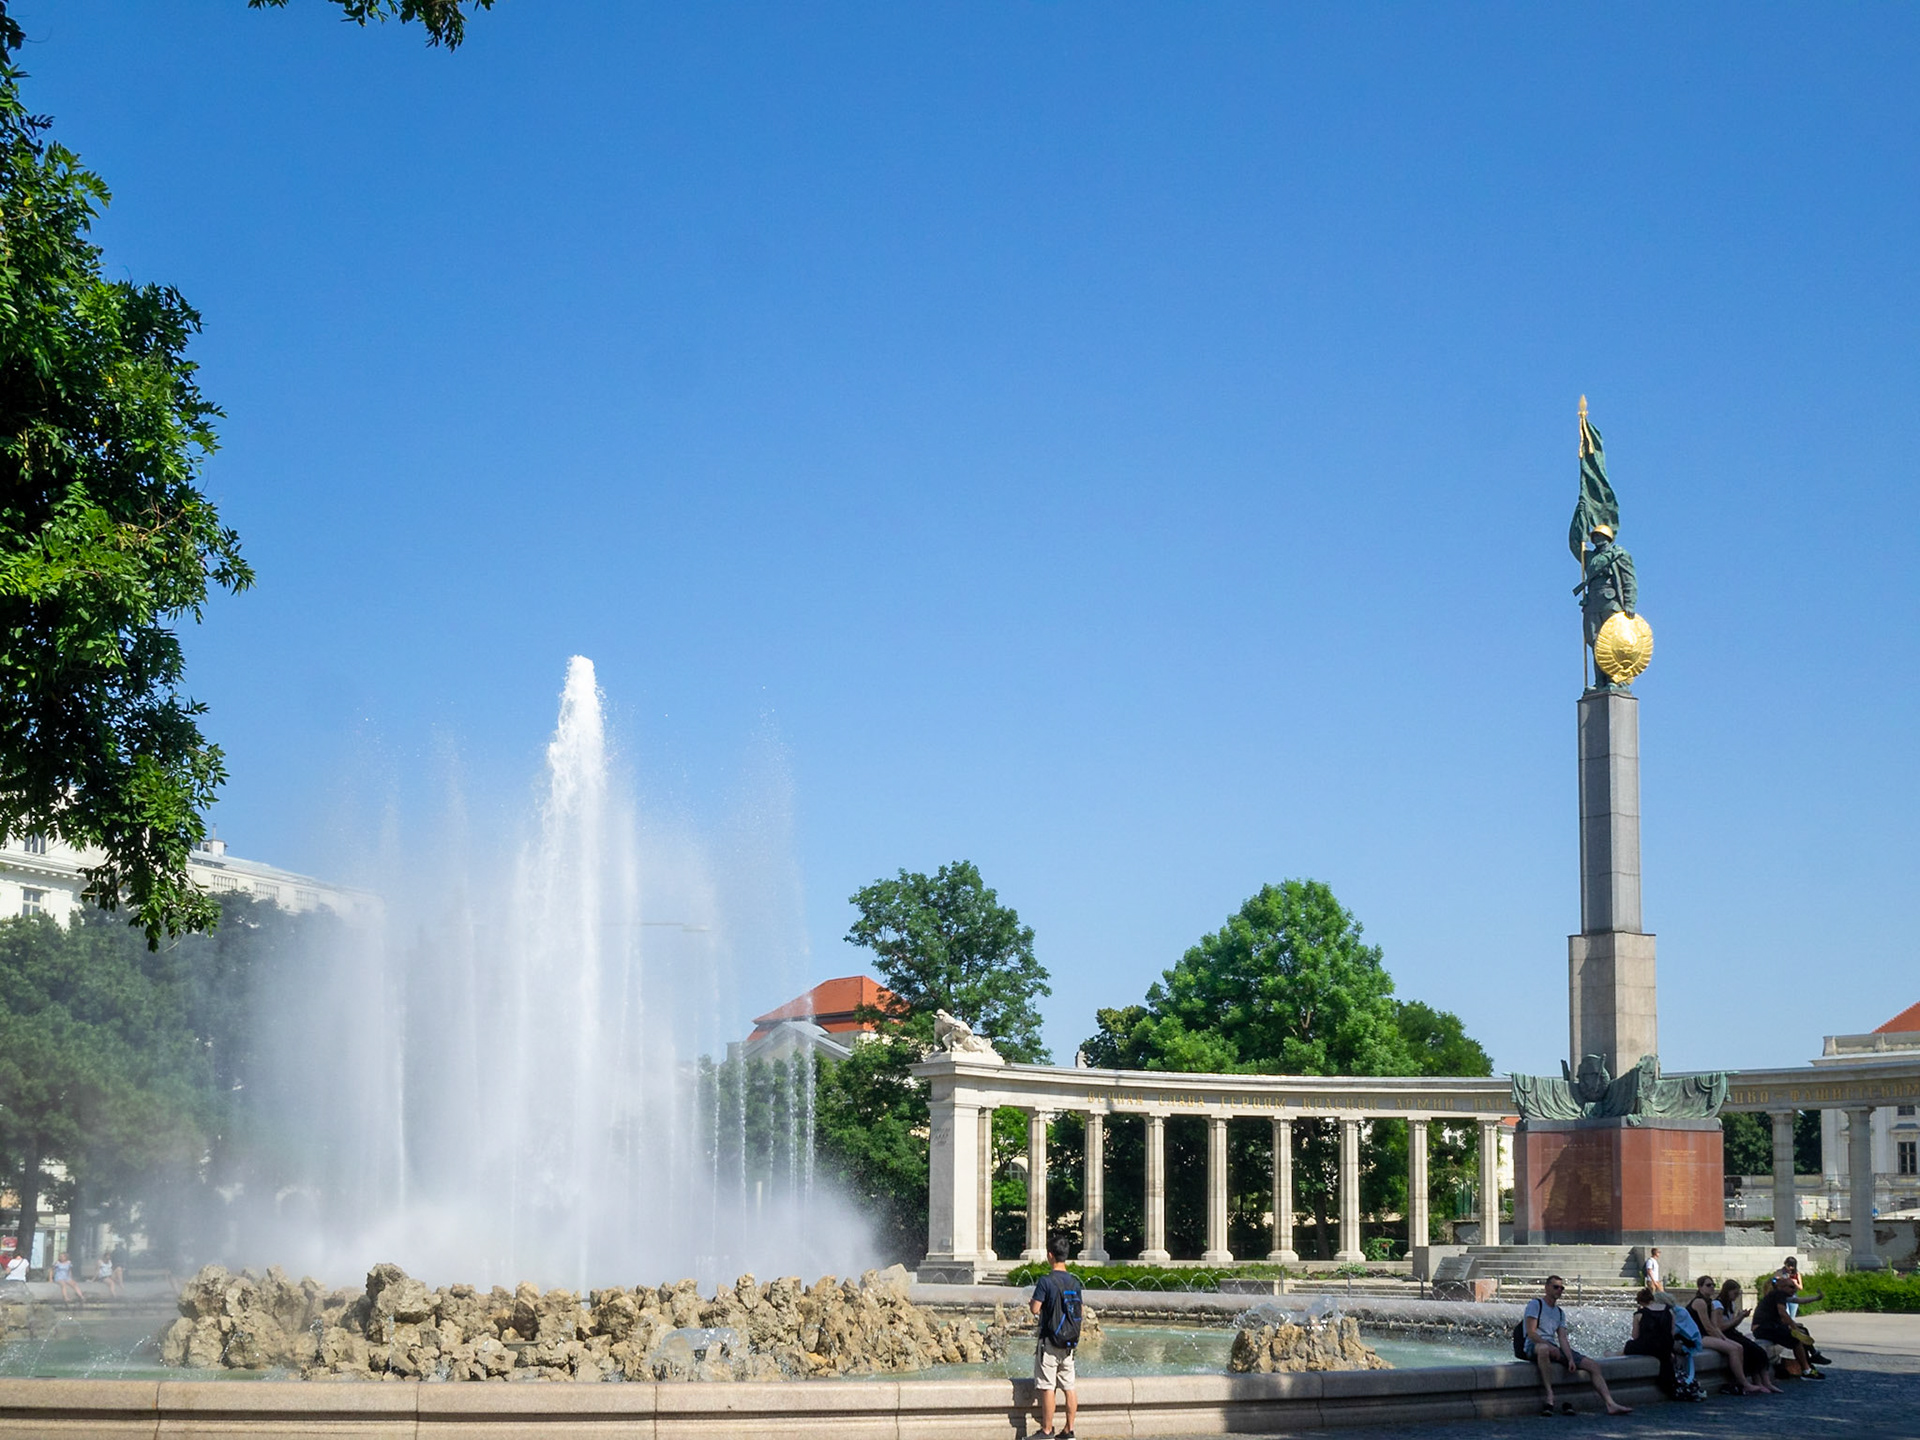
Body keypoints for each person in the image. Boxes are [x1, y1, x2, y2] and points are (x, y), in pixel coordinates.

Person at [1523, 1276, 1633, 1416]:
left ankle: (1610, 1404)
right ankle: (1550, 1396)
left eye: (1562, 1288)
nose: (1559, 1290)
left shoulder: (1559, 1312)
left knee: (1593, 1365)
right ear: (1546, 1287)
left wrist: (1569, 1358)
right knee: (1544, 1349)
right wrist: (1550, 1347)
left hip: (1552, 1346)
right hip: (1534, 1345)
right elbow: (1531, 1333)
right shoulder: (1535, 1304)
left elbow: (1563, 1338)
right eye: (1556, 1287)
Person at [1029, 1233, 1084, 1439]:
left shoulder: (1046, 1281)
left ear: (1050, 1255)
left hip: (1050, 1341)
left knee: (1047, 1386)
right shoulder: (1075, 1282)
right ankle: (1069, 1430)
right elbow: (1080, 1309)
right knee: (1069, 1387)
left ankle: (1047, 1430)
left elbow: (1035, 1309)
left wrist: (1032, 1304)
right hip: (1069, 1342)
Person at [1686, 1276, 1766, 1395]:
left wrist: (1723, 1338)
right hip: (1697, 1336)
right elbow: (1707, 1326)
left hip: (1706, 1334)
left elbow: (1714, 1326)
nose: (1712, 1287)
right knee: (1733, 1349)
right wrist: (1722, 1339)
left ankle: (1738, 1381)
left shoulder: (1710, 1302)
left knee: (1739, 1347)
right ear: (1700, 1287)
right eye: (1708, 1285)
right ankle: (1744, 1383)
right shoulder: (1699, 1302)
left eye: (1713, 1285)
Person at [1713, 1280, 1781, 1394]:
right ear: (1727, 1291)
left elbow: (1732, 1324)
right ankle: (1758, 1382)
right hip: (1725, 1334)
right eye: (1735, 1293)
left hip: (1732, 1332)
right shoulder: (1718, 1305)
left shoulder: (1731, 1304)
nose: (1736, 1297)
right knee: (1751, 1350)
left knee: (1759, 1351)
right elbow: (1720, 1327)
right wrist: (1738, 1317)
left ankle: (1765, 1382)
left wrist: (1741, 1317)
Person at [1623, 1288, 1693, 1399]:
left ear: (1641, 1302)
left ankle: (1609, 1355)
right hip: (1665, 1347)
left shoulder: (1639, 1314)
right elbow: (1672, 1332)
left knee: (1628, 1346)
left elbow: (1635, 1336)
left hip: (1649, 1347)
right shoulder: (1669, 1310)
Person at [1752, 1274, 1822, 1379]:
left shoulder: (1777, 1294)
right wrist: (1794, 1327)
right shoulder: (1779, 1294)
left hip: (1765, 1327)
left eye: (1795, 1286)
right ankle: (1806, 1370)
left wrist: (1817, 1298)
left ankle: (1811, 1360)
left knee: (1802, 1332)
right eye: (1791, 1287)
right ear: (1781, 1287)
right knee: (1796, 1339)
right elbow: (1783, 1313)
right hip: (1763, 1328)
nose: (1795, 1289)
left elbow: (1799, 1301)